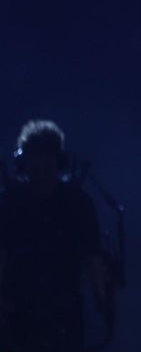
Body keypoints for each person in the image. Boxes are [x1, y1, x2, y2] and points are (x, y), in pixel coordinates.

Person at [0, 120, 107, 352]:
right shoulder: (10, 205)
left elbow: (93, 261)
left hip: (59, 316)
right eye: (37, 161)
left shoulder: (76, 204)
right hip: (24, 315)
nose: (42, 168)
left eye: (47, 161)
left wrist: (102, 303)